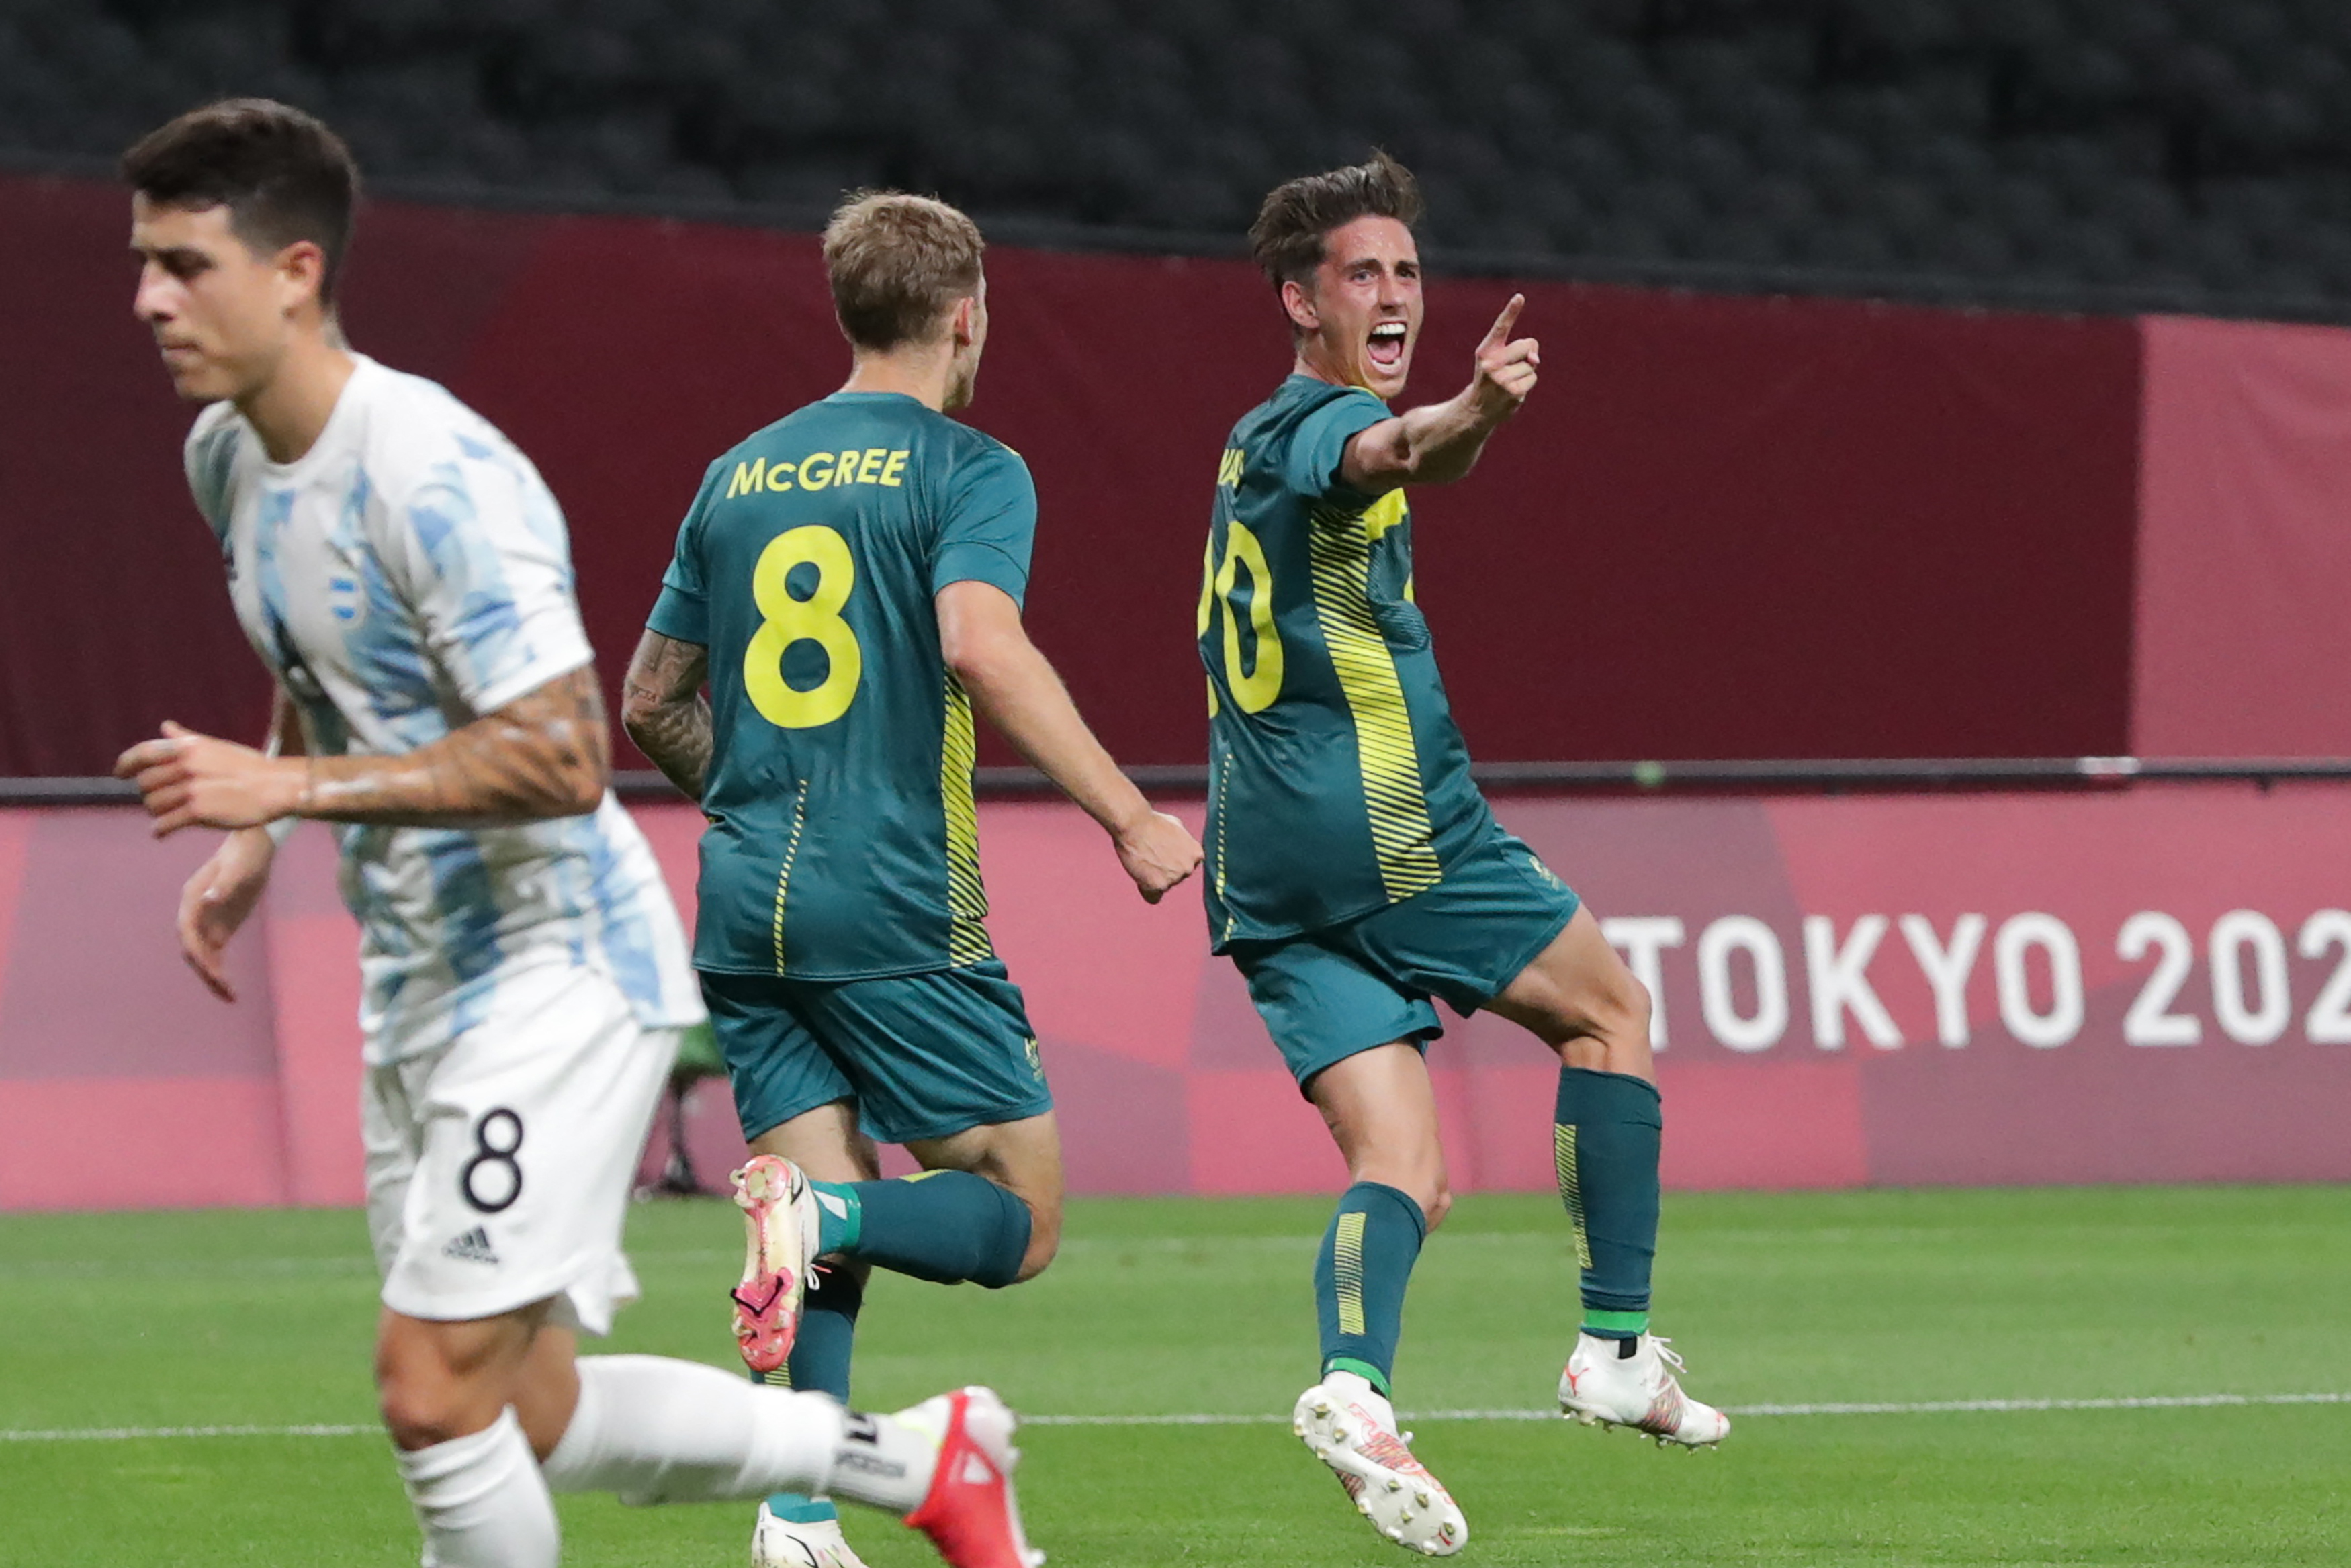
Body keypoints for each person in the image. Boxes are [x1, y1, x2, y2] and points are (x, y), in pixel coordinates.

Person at [112, 98, 1040, 1568]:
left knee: (427, 1391)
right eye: (142, 262)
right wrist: (254, 841)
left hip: (557, 972)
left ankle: (887, 1465)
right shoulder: (227, 458)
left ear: (294, 270)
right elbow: (322, 664)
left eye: (184, 264)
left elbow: (563, 747)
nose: (150, 298)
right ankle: (913, 1461)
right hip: (417, 979)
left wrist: (282, 796)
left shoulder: (436, 471)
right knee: (511, 1404)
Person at [621, 189, 1201, 1568]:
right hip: (889, 898)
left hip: (742, 896)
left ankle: (800, 1508)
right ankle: (814, 1218)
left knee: (819, 1209)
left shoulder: (736, 472)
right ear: (967, 312)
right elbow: (980, 644)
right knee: (1017, 1213)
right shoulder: (970, 465)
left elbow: (649, 701)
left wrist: (758, 807)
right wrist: (1127, 816)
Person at [1196, 152, 1730, 1557]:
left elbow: (1426, 450)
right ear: (1297, 303)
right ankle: (1613, 1349)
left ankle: (1352, 1389)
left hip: (1261, 865)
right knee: (1609, 1011)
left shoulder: (1257, 441)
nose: (1390, 295)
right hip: (1390, 831)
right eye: (1359, 275)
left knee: (1404, 1165)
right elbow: (1387, 450)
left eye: (1406, 274)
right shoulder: (1315, 426)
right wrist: (1465, 410)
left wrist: (1468, 418)